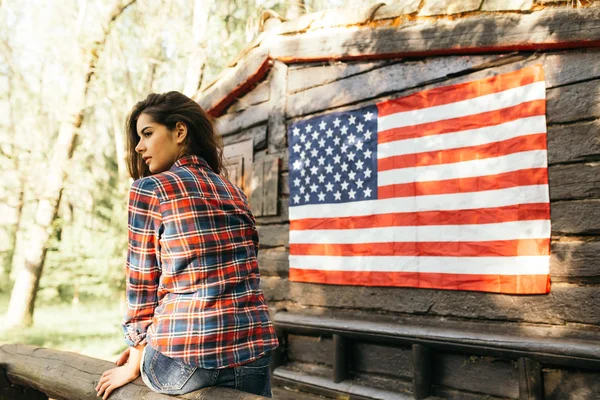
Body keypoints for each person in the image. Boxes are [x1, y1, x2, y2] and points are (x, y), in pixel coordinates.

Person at [95, 92, 279, 399]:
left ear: (180, 132)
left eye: (147, 134)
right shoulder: (234, 191)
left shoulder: (150, 188)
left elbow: (141, 284)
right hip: (253, 357)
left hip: (184, 364)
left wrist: (136, 355)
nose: (139, 147)